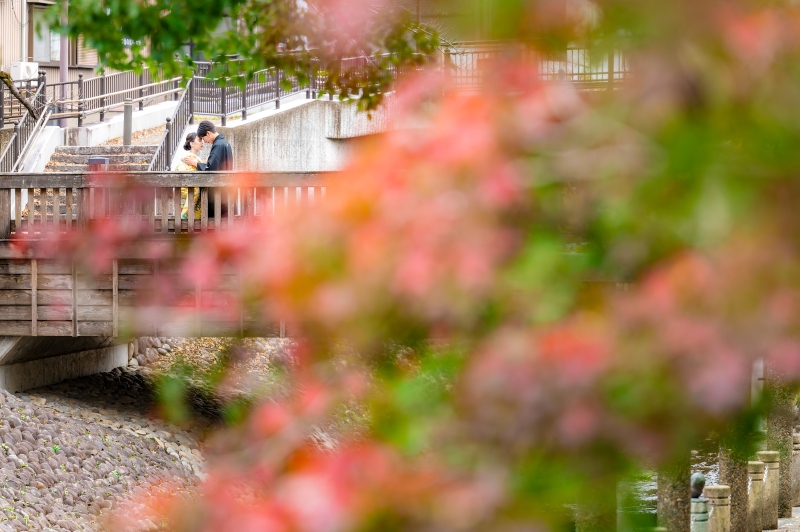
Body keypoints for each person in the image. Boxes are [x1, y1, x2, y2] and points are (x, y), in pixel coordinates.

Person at [173, 132, 203, 220]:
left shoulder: (187, 158)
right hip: (190, 191)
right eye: (199, 140)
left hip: (182, 191)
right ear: (192, 144)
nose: (202, 142)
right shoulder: (191, 158)